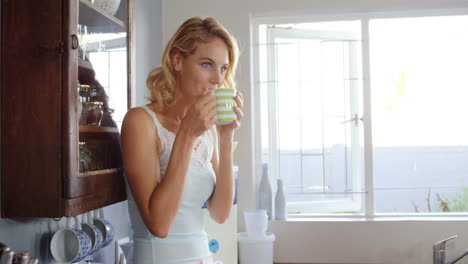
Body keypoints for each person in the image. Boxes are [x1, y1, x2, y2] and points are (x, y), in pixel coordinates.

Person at [121, 17, 243, 264]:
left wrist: (225, 137)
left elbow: (220, 213)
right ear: (177, 60)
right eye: (207, 64)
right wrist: (186, 134)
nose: (217, 80)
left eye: (223, 68)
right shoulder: (140, 122)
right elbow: (159, 225)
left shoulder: (207, 132)